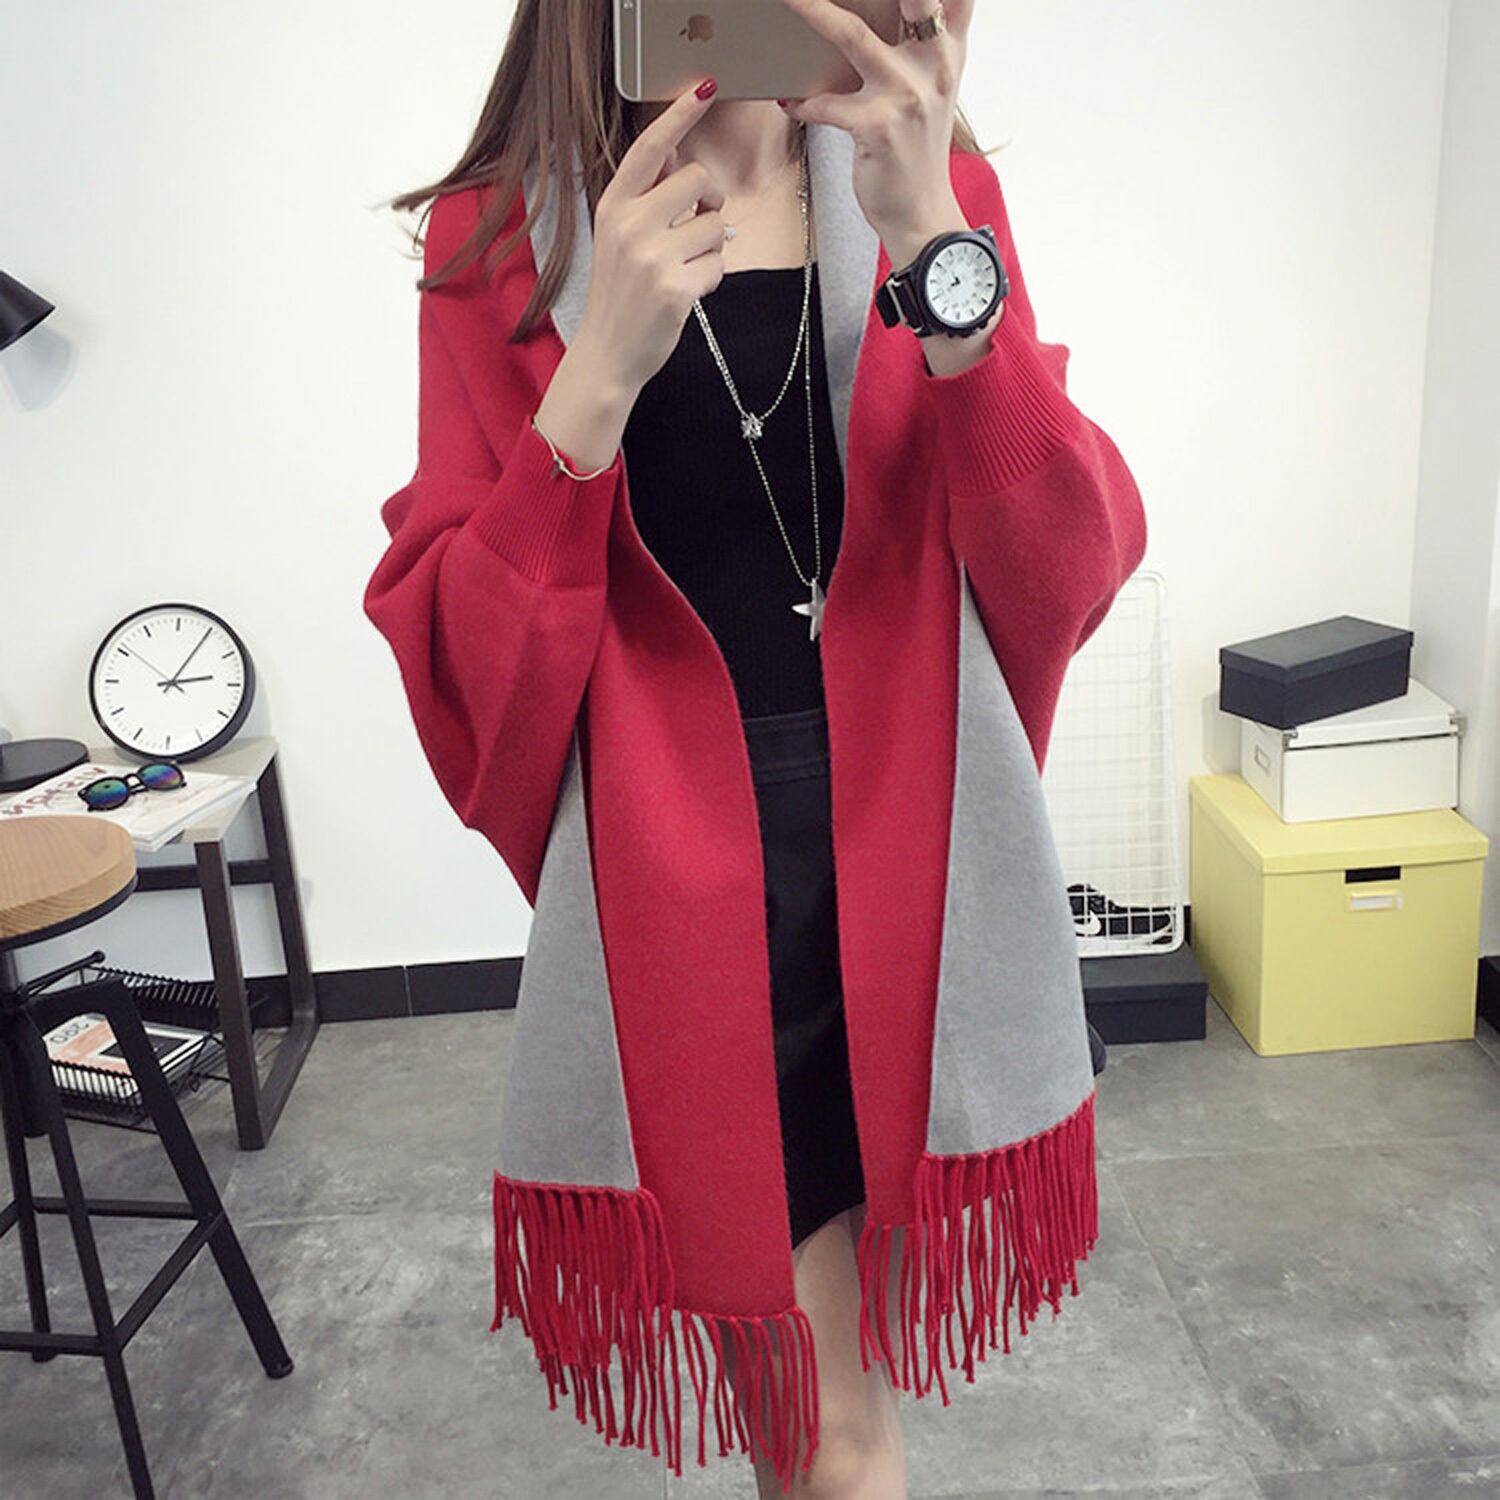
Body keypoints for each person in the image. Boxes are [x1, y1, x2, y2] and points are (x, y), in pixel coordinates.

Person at [364, 1, 1147, 1495]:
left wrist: (936, 244)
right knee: (827, 1434)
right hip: (686, 898)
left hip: (914, 875)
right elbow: (467, 673)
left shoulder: (929, 185)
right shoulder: (507, 238)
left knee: (837, 1424)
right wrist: (597, 372)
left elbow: (1067, 563)